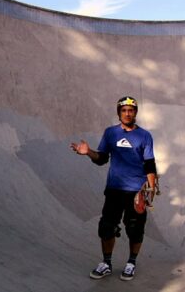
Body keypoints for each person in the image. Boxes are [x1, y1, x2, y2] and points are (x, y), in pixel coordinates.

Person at [70, 96, 157, 281]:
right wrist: (88, 153)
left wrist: (152, 188)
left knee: (135, 229)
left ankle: (131, 263)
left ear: (135, 113)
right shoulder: (110, 133)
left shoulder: (144, 136)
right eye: (124, 110)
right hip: (114, 190)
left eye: (131, 110)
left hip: (136, 192)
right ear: (119, 113)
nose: (127, 113)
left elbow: (149, 164)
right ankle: (106, 263)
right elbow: (101, 159)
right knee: (106, 227)